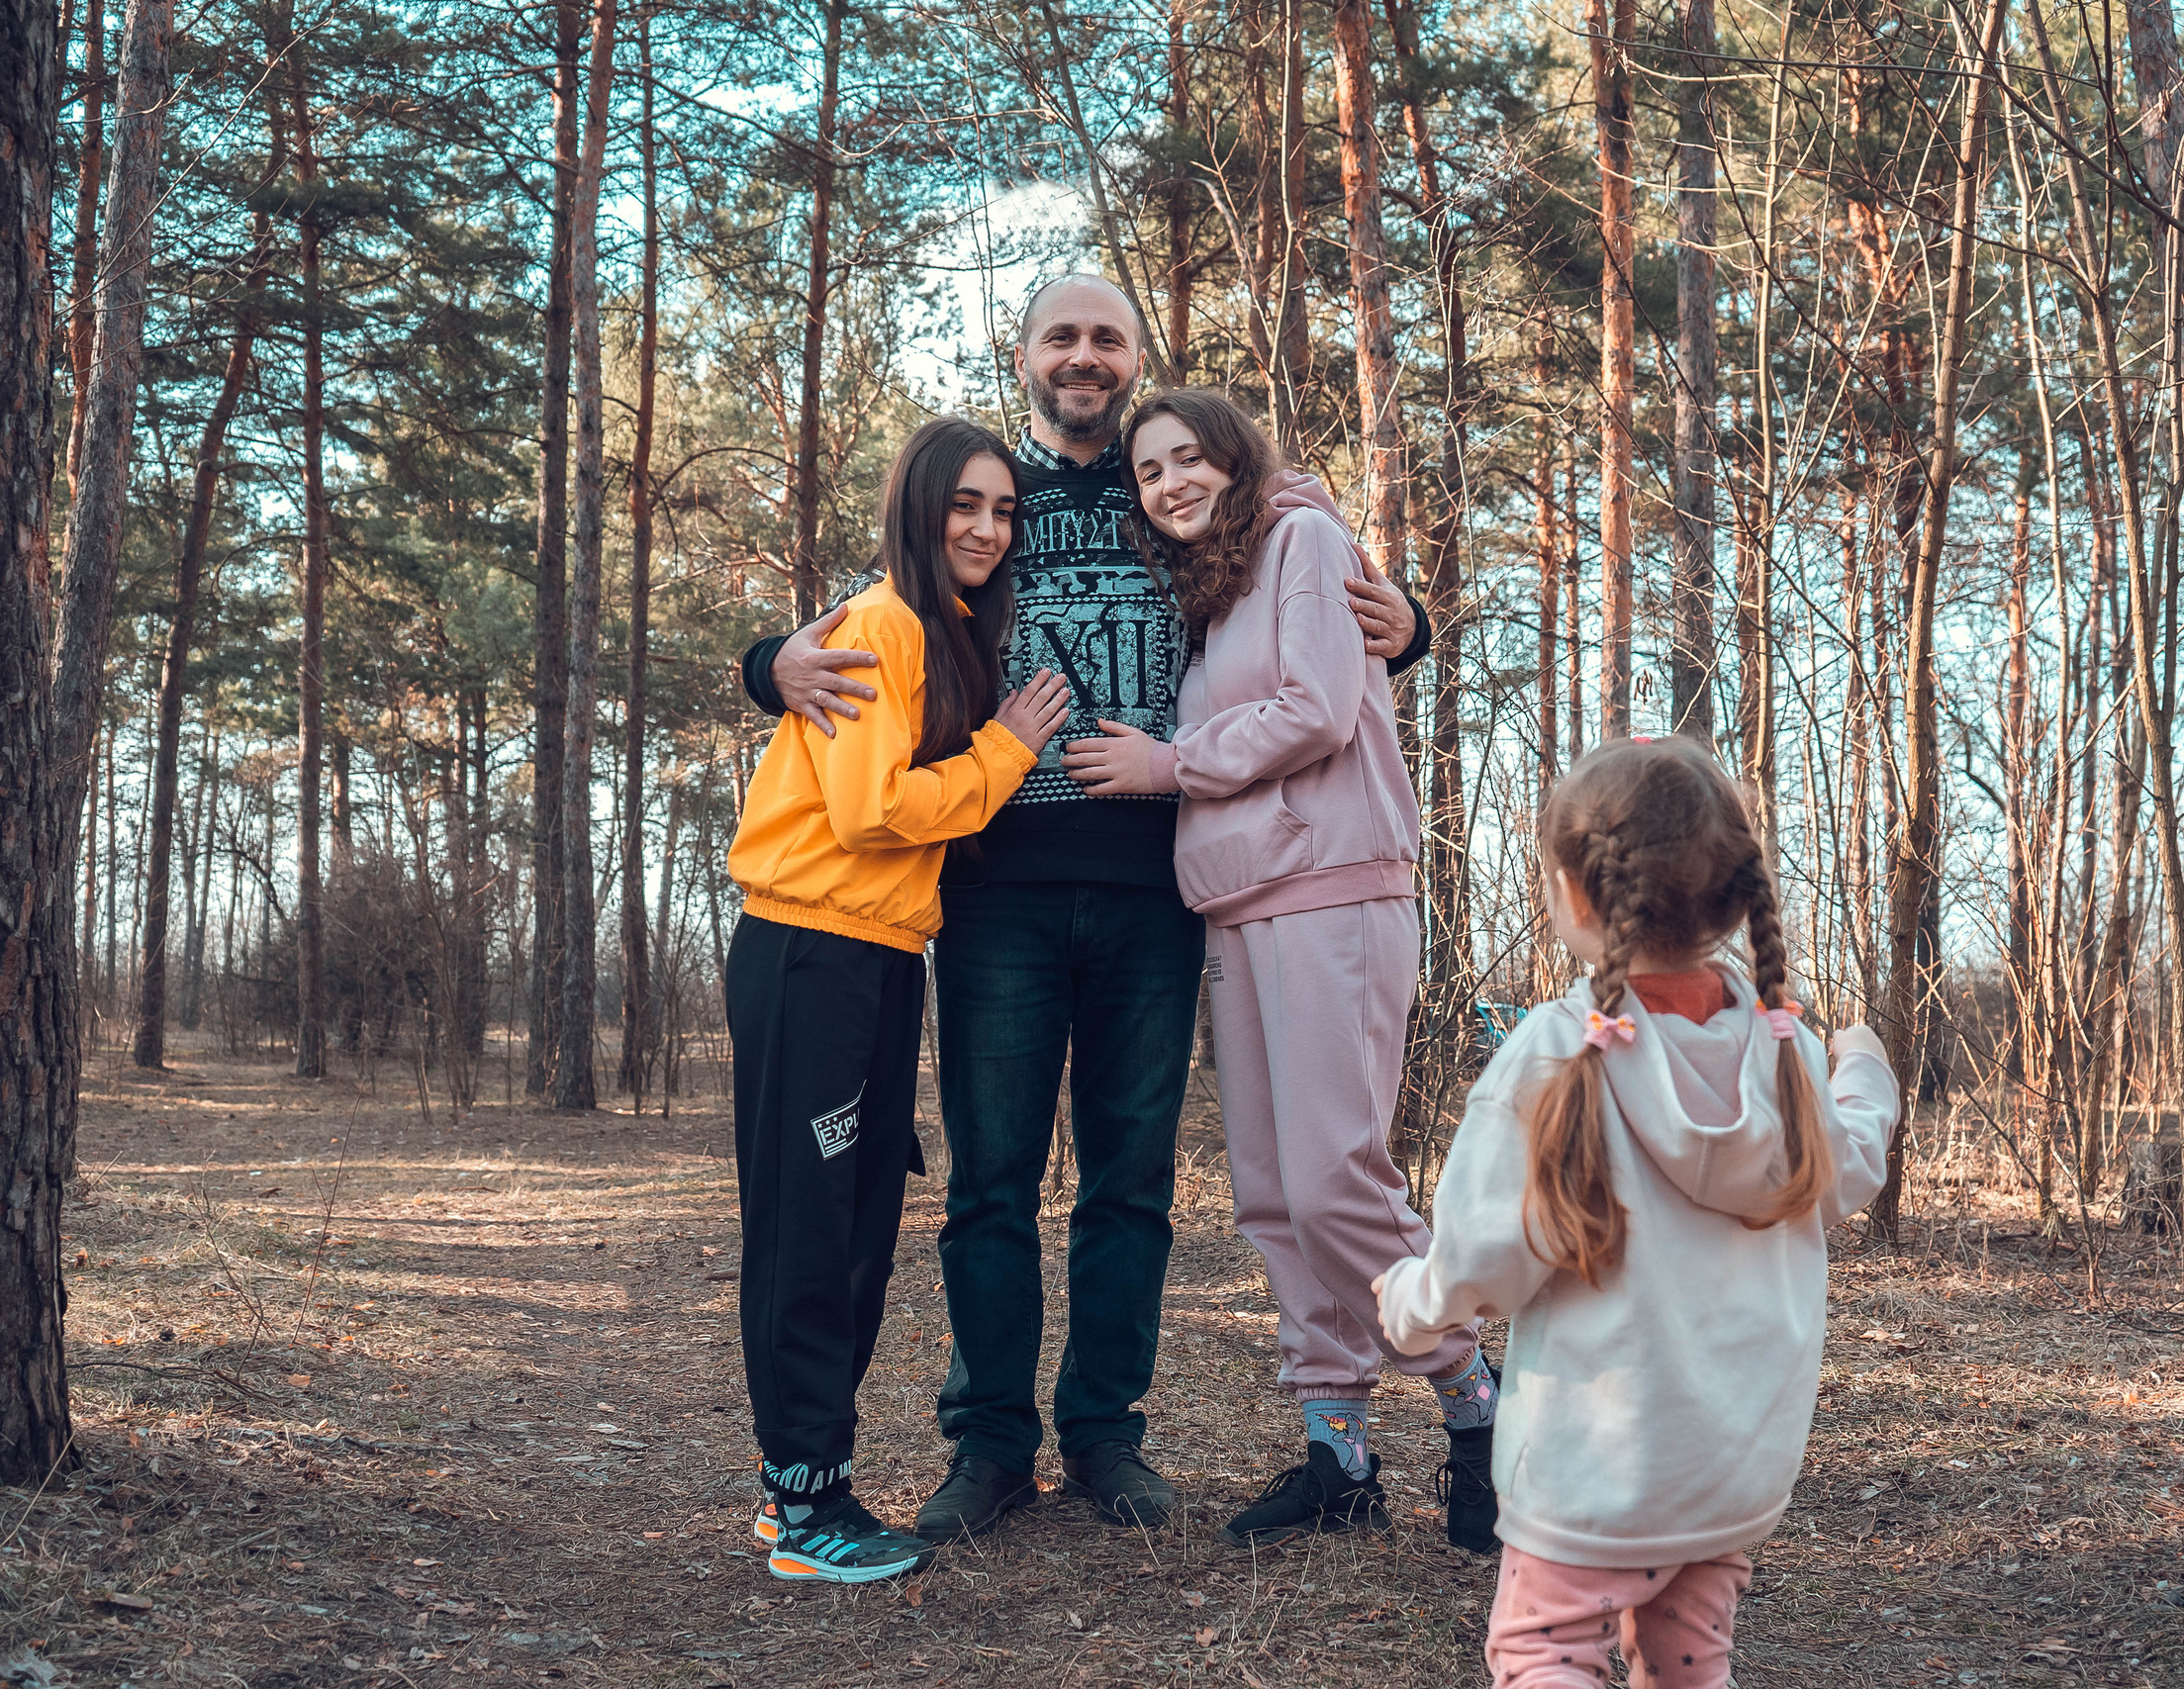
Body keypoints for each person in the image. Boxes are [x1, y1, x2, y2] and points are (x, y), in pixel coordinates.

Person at [739, 276, 1434, 1544]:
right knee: (990, 1183)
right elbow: (863, 623)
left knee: (1130, 1184)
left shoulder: (1182, 487)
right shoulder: (983, 495)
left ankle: (1107, 1435)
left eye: (1106, 337)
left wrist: (1414, 621)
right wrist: (763, 665)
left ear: (1135, 360)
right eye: (1060, 336)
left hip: (1155, 892)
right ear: (1024, 357)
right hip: (994, 892)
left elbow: (1314, 572)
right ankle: (990, 1443)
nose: (1084, 356)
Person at [1063, 387, 1500, 1551]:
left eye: (1188, 460)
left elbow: (1314, 710)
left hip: (1333, 888)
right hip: (1235, 902)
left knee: (1333, 1181)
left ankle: (1482, 1410)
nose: (1170, 485)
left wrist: (1169, 764)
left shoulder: (1303, 538)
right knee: (1268, 1190)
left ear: (1235, 460)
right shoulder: (1207, 594)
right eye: (1149, 474)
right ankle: (1339, 1457)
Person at [1373, 736, 1899, 1686]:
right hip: (1732, 1473)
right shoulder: (1787, 1049)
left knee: (1545, 1656)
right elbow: (1849, 1166)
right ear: (1739, 893)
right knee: (1690, 1663)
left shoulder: (1553, 1053)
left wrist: (1408, 1300)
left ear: (1577, 894)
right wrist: (1864, 1068)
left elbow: (1484, 1258)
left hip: (1591, 1476)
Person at [724, 417, 1071, 1583]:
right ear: (915, 514)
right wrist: (1007, 753)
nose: (983, 527)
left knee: (860, 1223)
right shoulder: (883, 626)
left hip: (875, 954)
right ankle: (804, 1503)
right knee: (807, 1230)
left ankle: (806, 1492)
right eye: (961, 505)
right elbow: (874, 811)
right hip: (808, 951)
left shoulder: (939, 634)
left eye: (1002, 509)